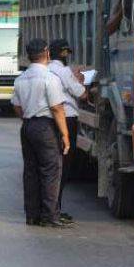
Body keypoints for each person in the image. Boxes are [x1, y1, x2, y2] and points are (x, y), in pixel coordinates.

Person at [12, 38, 72, 228]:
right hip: (46, 127)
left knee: (30, 172)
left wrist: (28, 121)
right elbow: (57, 108)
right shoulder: (49, 78)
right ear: (47, 53)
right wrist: (65, 135)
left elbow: (16, 106)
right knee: (51, 172)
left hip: (28, 126)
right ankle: (50, 216)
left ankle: (32, 215)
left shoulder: (20, 79)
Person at [48, 39, 88, 224]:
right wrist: (82, 83)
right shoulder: (64, 71)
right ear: (65, 55)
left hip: (48, 119)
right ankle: (56, 208)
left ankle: (48, 208)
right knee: (63, 165)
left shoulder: (46, 69)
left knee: (50, 165)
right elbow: (81, 93)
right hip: (67, 118)